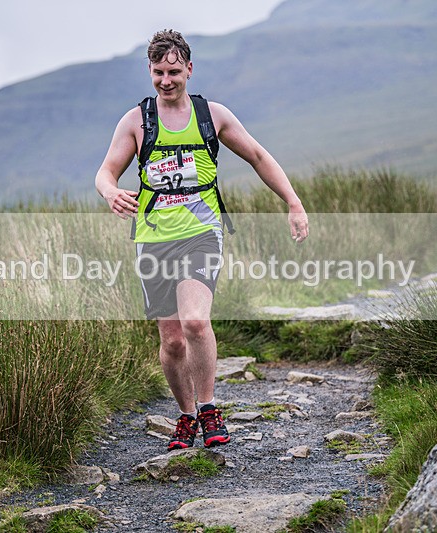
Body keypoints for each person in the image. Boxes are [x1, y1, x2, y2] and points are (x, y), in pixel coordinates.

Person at [95, 29, 308, 450]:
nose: (166, 80)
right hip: (154, 239)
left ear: (189, 69)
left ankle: (209, 409)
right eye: (158, 72)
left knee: (195, 322)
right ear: (150, 72)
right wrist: (111, 192)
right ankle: (186, 415)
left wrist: (293, 201)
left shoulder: (213, 116)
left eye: (174, 71)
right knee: (172, 341)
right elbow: (105, 171)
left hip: (201, 233)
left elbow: (259, 157)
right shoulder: (137, 121)